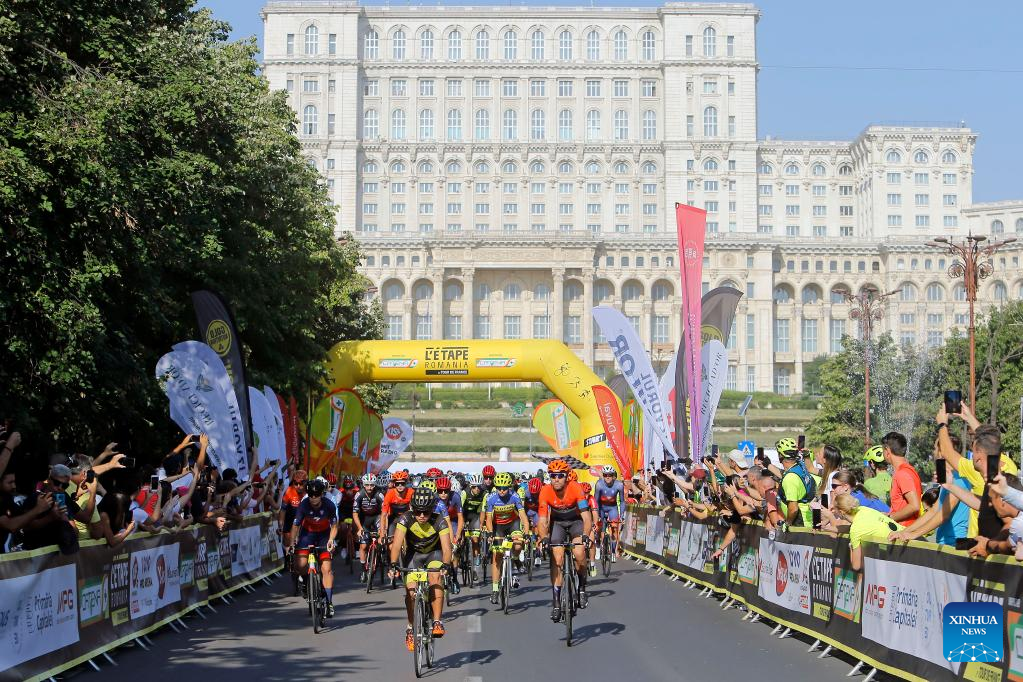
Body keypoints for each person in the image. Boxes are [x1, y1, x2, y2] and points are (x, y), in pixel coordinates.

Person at [937, 401, 1015, 540]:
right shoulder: (1006, 465)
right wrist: (950, 486)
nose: (971, 455)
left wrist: (942, 424)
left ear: (978, 457)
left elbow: (947, 453)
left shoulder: (990, 478)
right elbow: (984, 505)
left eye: (973, 452)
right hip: (981, 544)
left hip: (991, 547)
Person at [390, 488, 452, 649]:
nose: (422, 516)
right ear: (412, 509)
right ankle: (410, 628)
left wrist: (446, 564)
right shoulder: (405, 519)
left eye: (426, 512)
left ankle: (437, 621)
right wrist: (393, 564)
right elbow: (396, 545)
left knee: (435, 578)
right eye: (418, 512)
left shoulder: (440, 521)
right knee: (411, 592)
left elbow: (447, 548)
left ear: (432, 510)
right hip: (414, 556)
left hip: (434, 554)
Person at [888, 436, 971, 546]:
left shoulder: (959, 479)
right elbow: (933, 511)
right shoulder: (949, 479)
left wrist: (913, 535)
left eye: (935, 448)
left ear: (942, 451)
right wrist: (904, 531)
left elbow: (943, 514)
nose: (933, 452)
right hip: (945, 543)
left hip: (954, 545)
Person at [537, 459, 591, 621]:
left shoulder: (575, 488)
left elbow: (586, 516)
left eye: (560, 476)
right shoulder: (545, 491)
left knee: (579, 553)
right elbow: (542, 520)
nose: (556, 479)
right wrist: (544, 537)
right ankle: (556, 603)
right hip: (558, 523)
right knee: (557, 558)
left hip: (576, 521)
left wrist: (586, 535)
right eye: (553, 476)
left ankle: (581, 587)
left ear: (566, 477)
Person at [289, 479, 340, 618]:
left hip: (324, 535)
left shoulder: (329, 505)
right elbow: (296, 525)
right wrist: (292, 542)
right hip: (308, 534)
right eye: (310, 495)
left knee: (326, 569)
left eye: (316, 495)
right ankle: (306, 583)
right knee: (300, 565)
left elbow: (334, 526)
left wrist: (331, 540)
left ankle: (329, 602)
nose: (313, 498)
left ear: (321, 494)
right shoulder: (304, 505)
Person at [484, 471, 530, 603]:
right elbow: (488, 518)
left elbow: (523, 516)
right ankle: (495, 589)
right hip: (498, 526)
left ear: (509, 487)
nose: (502, 491)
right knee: (497, 555)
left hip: (512, 524)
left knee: (518, 545)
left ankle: (515, 558)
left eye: (504, 488)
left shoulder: (515, 496)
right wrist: (490, 533)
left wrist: (526, 533)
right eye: (499, 488)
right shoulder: (491, 498)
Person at [831, 493, 900, 571]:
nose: (833, 511)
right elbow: (851, 528)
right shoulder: (863, 509)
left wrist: (851, 546)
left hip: (900, 552)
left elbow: (856, 566)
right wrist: (826, 528)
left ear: (841, 512)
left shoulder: (855, 530)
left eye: (834, 509)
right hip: (906, 537)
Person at [776, 438, 819, 527]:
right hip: (809, 518)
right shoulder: (800, 466)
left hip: (800, 523)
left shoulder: (790, 478)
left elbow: (793, 509)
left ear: (780, 455)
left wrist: (787, 523)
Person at [882, 431, 921, 527]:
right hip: (908, 529)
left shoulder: (902, 474)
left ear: (887, 451)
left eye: (883, 450)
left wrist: (890, 517)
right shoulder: (910, 470)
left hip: (905, 530)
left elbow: (914, 506)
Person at [353, 473, 385, 582]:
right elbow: (355, 514)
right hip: (364, 519)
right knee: (363, 546)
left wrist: (382, 529)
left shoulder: (379, 495)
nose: (369, 487)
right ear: (363, 485)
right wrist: (359, 528)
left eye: (372, 485)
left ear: (375, 485)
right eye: (367, 485)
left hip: (377, 518)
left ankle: (379, 555)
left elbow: (384, 513)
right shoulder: (359, 494)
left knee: (380, 538)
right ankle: (363, 570)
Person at [435, 476, 463, 594]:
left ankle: (455, 579)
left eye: (445, 491)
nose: (443, 494)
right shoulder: (435, 498)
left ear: (449, 490)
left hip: (453, 521)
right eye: (440, 491)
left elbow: (460, 517)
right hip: (440, 521)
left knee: (454, 550)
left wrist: (458, 534)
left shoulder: (455, 497)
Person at [593, 464, 625, 561]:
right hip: (601, 508)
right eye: (605, 475)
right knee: (599, 529)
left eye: (610, 475)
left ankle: (613, 552)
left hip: (612, 508)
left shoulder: (619, 485)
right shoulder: (599, 484)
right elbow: (596, 501)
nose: (607, 477)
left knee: (614, 528)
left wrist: (622, 515)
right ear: (603, 475)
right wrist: (597, 514)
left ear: (613, 476)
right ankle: (598, 546)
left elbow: (622, 501)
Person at [460, 473, 486, 576]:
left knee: (475, 539)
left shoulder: (484, 494)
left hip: (475, 516)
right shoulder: (464, 493)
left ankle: (476, 558)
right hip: (464, 514)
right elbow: (459, 510)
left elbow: (483, 511)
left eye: (479, 487)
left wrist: (481, 525)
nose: (477, 489)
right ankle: (461, 553)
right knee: (460, 537)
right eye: (474, 487)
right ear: (471, 486)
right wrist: (461, 523)